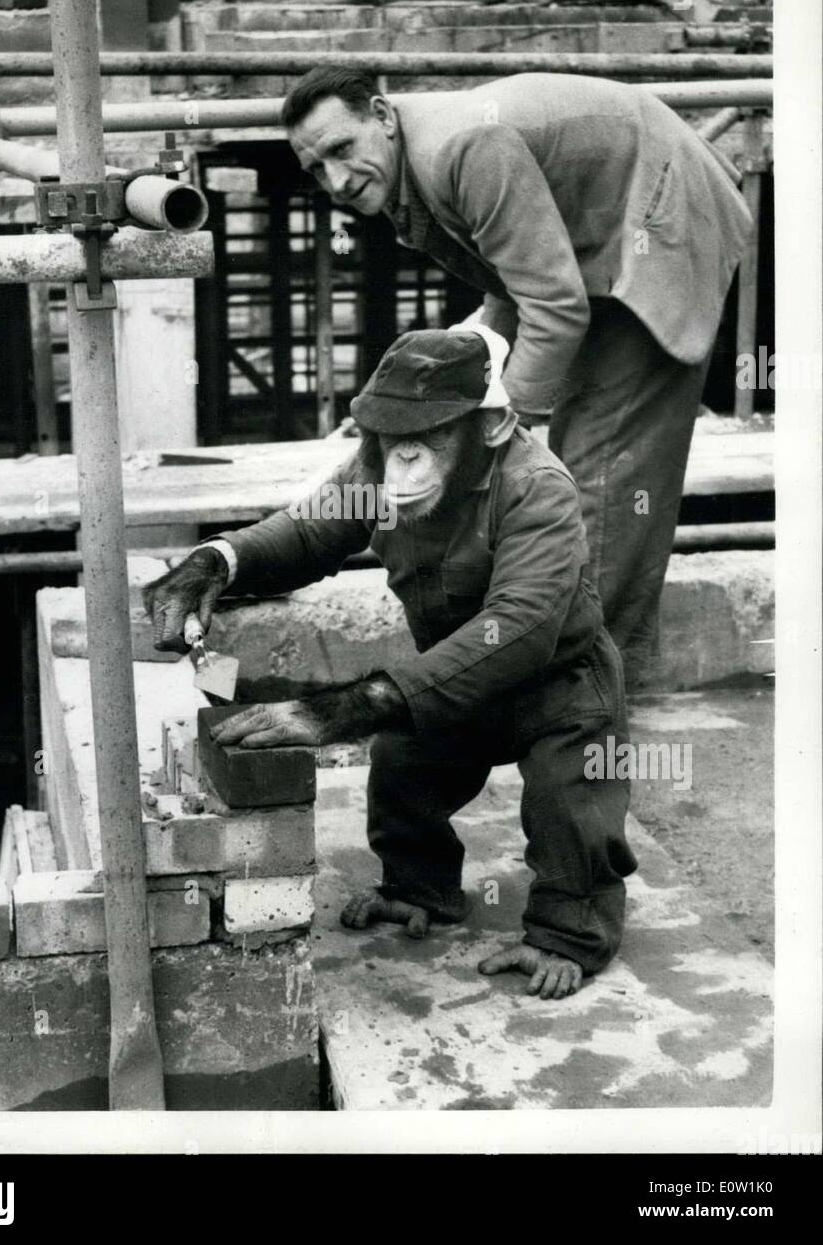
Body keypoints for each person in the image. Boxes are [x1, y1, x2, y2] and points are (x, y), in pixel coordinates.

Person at [144, 327, 638, 999]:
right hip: (452, 677)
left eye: (425, 439)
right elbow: (308, 531)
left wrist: (345, 708)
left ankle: (571, 933)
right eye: (385, 438)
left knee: (568, 808)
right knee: (402, 771)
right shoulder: (380, 473)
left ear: (490, 427)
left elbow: (516, 631)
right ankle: (422, 890)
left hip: (561, 686)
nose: (399, 461)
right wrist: (214, 562)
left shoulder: (534, 488)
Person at [281, 67, 755, 686]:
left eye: (343, 150)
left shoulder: (463, 148)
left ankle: (583, 690)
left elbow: (555, 308)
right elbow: (510, 286)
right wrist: (435, 396)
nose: (336, 181)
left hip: (658, 218)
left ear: (382, 116)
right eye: (317, 169)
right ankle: (578, 673)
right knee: (574, 468)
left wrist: (491, 429)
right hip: (601, 236)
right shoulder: (416, 163)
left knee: (602, 474)